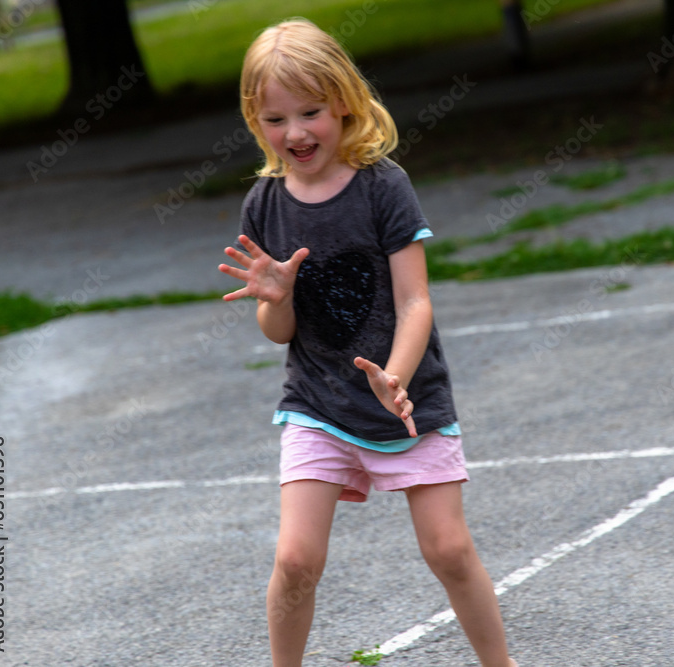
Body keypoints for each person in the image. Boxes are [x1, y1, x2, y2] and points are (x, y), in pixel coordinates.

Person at [218, 19, 517, 667]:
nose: (295, 132)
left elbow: (415, 302)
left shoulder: (384, 186)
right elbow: (278, 333)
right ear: (254, 120)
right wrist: (276, 299)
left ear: (344, 102)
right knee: (295, 559)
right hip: (317, 402)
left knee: (448, 549)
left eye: (310, 112)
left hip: (407, 400)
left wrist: (395, 376)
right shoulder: (263, 205)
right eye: (275, 119)